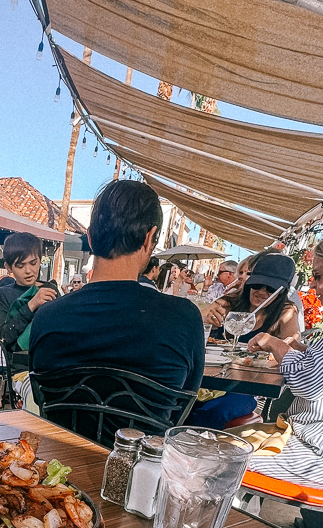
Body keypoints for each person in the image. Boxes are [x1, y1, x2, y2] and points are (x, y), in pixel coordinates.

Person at [29, 180, 205, 421]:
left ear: (90, 237)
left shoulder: (47, 316)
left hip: (60, 456)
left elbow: (42, 399)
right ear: (149, 238)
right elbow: (184, 404)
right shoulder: (184, 318)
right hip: (144, 457)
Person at [237, 240, 323, 494]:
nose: (312, 285)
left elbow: (310, 385)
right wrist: (302, 350)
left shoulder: (285, 310)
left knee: (209, 456)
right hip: (297, 436)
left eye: (317, 276)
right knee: (211, 438)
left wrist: (275, 344)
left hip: (311, 452)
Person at [192, 253, 300, 428]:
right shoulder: (231, 302)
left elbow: (292, 346)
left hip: (244, 389)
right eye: (257, 284)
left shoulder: (285, 312)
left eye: (271, 289)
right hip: (206, 379)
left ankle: (191, 445)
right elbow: (195, 319)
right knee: (181, 400)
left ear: (281, 293)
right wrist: (205, 318)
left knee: (217, 410)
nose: (262, 292)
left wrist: (274, 342)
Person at [0, 232, 58, 358]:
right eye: (20, 266)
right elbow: (5, 336)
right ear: (8, 267)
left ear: (40, 260)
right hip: (20, 366)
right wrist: (31, 305)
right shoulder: (2, 294)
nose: (28, 271)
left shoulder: (50, 289)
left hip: (49, 361)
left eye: (33, 263)